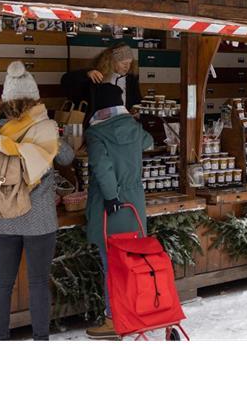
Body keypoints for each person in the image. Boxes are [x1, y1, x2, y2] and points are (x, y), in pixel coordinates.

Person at [0, 61, 73, 340]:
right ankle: (40, 339)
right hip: (39, 218)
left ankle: (0, 339)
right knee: (38, 282)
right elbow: (67, 158)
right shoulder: (46, 127)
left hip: (1, 215)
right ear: (34, 97)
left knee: (2, 282)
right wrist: (60, 137)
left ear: (5, 98)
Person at [83, 82, 151, 339]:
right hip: (134, 204)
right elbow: (148, 141)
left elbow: (102, 167)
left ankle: (114, 319)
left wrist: (111, 196)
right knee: (132, 262)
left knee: (111, 265)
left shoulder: (96, 133)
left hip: (110, 206)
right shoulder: (134, 128)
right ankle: (136, 312)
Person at [60, 41, 140, 126]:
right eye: (124, 63)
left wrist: (135, 110)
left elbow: (136, 100)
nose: (127, 67)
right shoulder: (97, 75)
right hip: (98, 125)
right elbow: (65, 81)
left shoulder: (131, 79)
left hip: (124, 123)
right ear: (112, 61)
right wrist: (86, 74)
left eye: (130, 63)